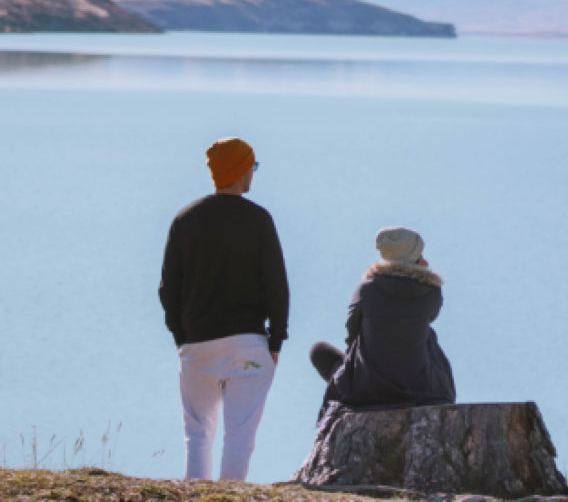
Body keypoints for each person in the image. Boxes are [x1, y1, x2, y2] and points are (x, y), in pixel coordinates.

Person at [159, 137, 289, 481]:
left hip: (197, 344)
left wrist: (180, 336)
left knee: (198, 433)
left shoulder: (185, 219)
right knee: (240, 433)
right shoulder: (259, 220)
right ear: (242, 170)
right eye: (253, 167)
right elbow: (277, 286)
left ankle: (194, 495)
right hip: (248, 342)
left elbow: (168, 288)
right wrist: (276, 341)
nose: (253, 175)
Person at [310, 226, 454, 417]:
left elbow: (352, 336)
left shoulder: (366, 289)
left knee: (318, 350)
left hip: (367, 392)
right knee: (425, 334)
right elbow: (432, 315)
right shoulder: (431, 292)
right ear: (413, 256)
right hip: (423, 390)